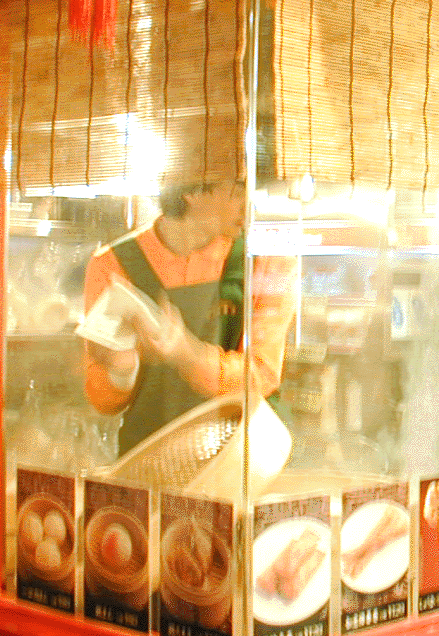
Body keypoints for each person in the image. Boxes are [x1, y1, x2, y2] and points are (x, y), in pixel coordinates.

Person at [82, 179, 297, 455]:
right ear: (191, 189)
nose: (249, 204)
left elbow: (263, 375)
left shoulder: (270, 262)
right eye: (237, 190)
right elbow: (102, 401)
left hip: (239, 457)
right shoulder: (112, 264)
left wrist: (188, 354)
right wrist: (121, 371)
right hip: (150, 458)